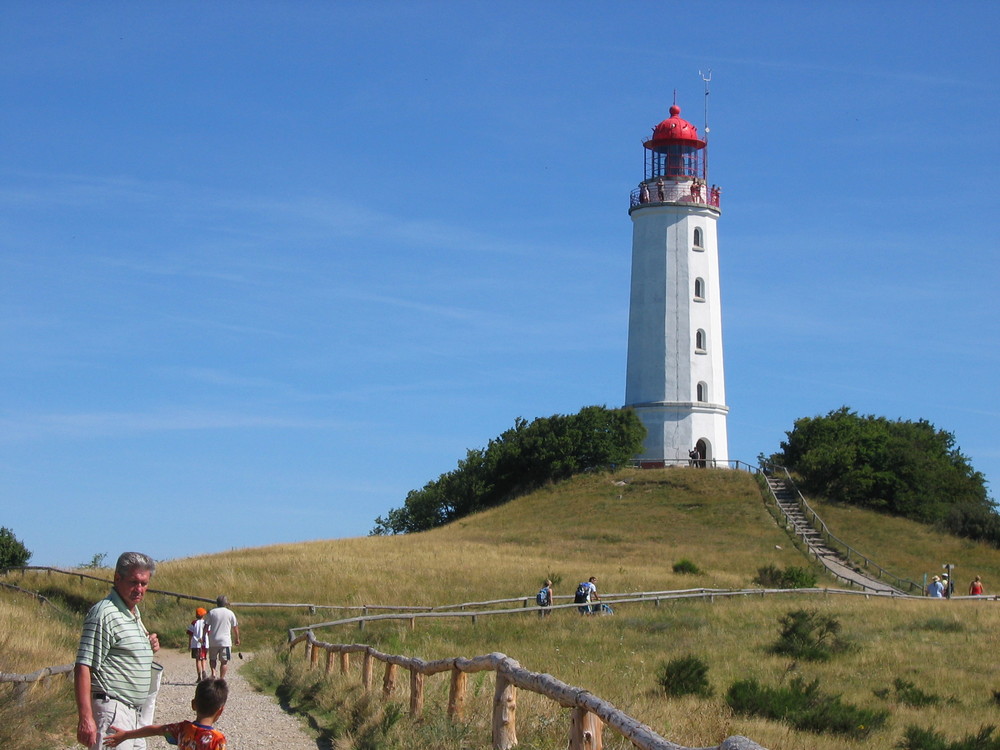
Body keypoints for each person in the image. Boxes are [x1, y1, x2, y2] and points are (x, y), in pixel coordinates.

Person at [75, 552, 160, 750]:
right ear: (117, 578)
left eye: (144, 584)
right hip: (113, 710)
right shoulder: (104, 613)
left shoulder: (132, 613)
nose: (139, 589)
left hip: (135, 716)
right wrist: (86, 718)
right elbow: (83, 666)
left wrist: (148, 646)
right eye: (133, 582)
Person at [104, 677, 228, 750]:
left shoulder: (183, 729)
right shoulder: (217, 739)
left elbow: (155, 730)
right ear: (220, 710)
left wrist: (126, 735)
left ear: (193, 704)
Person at [205, 595, 240, 679]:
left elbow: (206, 626)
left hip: (213, 640)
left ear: (217, 603)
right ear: (225, 603)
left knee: (212, 659)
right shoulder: (230, 613)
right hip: (225, 641)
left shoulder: (212, 612)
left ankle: (213, 672)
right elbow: (235, 627)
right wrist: (237, 638)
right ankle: (221, 678)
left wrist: (203, 637)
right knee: (224, 662)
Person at [187, 607, 210, 682]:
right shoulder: (206, 623)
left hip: (196, 644)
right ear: (203, 615)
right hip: (204, 643)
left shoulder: (194, 623)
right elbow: (209, 632)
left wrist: (189, 644)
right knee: (203, 658)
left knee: (198, 660)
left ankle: (199, 676)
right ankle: (204, 670)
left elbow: (190, 634)